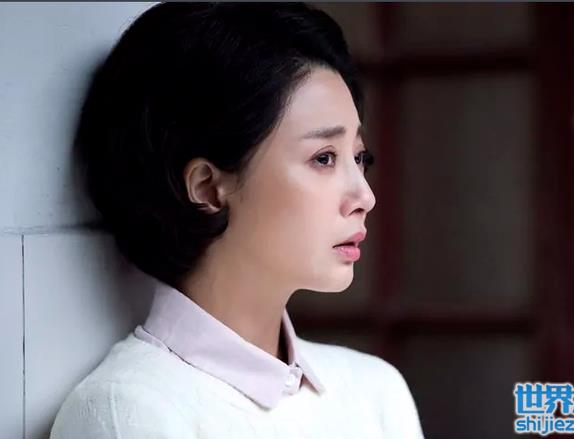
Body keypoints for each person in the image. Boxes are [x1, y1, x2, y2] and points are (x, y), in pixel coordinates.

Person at [50, 3, 425, 438]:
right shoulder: (128, 411)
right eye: (324, 158)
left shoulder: (375, 391)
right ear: (208, 187)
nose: (365, 197)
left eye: (359, 158)